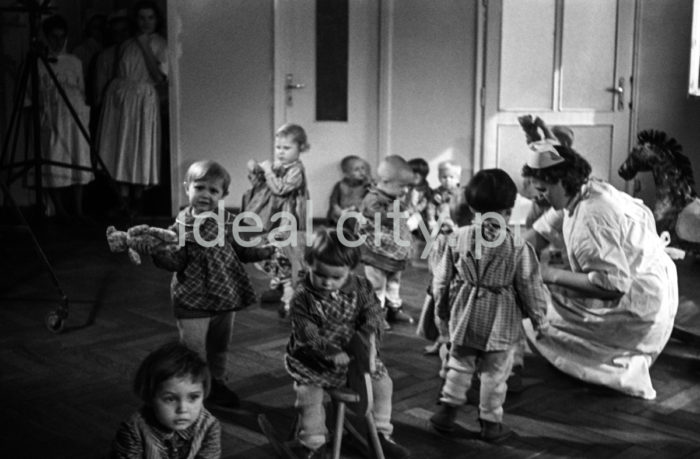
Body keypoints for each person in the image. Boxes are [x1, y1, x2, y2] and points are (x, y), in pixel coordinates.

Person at [521, 144, 679, 399]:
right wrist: (503, 253)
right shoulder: (588, 189)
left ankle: (602, 357)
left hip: (638, 310)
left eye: (542, 190)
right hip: (651, 289)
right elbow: (539, 233)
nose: (538, 197)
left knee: (534, 301)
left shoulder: (590, 217)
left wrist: (546, 274)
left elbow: (612, 286)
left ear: (561, 182)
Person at [428, 169, 549, 442]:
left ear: (470, 207)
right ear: (509, 210)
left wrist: (441, 312)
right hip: (501, 318)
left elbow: (441, 279)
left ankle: (446, 414)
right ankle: (491, 424)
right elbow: (530, 287)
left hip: (464, 312)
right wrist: (540, 320)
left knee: (459, 363)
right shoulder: (518, 247)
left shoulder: (455, 238)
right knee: (495, 373)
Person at [146, 160, 275, 408]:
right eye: (199, 187)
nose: (206, 194)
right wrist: (159, 252)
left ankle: (216, 382)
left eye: (213, 190)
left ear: (224, 195)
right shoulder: (180, 227)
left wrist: (266, 251)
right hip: (192, 300)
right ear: (187, 188)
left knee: (219, 346)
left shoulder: (228, 222)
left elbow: (243, 251)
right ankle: (196, 390)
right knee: (194, 351)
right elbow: (174, 261)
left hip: (225, 297)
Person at [284, 229, 410, 459]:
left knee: (383, 384)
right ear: (309, 262)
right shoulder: (303, 296)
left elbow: (374, 312)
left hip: (353, 356)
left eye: (336, 277)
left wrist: (368, 331)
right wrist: (328, 350)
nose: (327, 282)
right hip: (313, 359)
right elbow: (305, 330)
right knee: (309, 395)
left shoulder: (361, 287)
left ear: (350, 271)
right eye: (320, 274)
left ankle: (382, 433)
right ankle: (313, 443)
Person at [97, 0, 168, 215]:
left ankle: (138, 198)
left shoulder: (160, 44)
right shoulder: (127, 44)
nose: (146, 22)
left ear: (157, 20)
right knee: (122, 146)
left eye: (150, 18)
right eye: (141, 18)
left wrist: (145, 45)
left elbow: (158, 77)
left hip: (143, 99)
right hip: (121, 98)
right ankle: (122, 198)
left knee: (140, 145)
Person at [243, 123, 311, 319]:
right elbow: (262, 185)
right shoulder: (279, 165)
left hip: (287, 218)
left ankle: (290, 294)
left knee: (284, 250)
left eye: (287, 148)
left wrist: (269, 172)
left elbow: (280, 189)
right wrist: (256, 170)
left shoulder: (296, 169)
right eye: (278, 147)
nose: (281, 152)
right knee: (266, 246)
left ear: (301, 149)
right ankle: (278, 284)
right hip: (272, 215)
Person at [110, 341, 221, 458]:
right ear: (150, 397)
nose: (183, 409)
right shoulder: (133, 431)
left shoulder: (209, 426)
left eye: (193, 397)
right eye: (170, 399)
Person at [36, 14, 93, 221]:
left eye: (61, 37)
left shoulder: (74, 62)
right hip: (52, 116)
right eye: (53, 37)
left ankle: (78, 209)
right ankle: (61, 210)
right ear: (45, 37)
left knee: (78, 156)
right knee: (54, 157)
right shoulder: (40, 63)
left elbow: (81, 89)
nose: (57, 42)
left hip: (74, 115)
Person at [358, 155, 415, 330]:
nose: (405, 190)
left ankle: (394, 307)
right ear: (385, 181)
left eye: (407, 186)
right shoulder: (372, 199)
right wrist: (396, 216)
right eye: (402, 186)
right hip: (376, 252)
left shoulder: (394, 196)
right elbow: (377, 217)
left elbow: (402, 210)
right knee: (377, 284)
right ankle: (376, 314)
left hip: (394, 251)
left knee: (393, 280)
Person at [326, 154, 372, 233]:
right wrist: (336, 208)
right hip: (342, 213)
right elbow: (333, 199)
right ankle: (335, 231)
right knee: (333, 213)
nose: (361, 172)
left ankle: (354, 234)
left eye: (363, 168)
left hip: (358, 213)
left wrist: (370, 183)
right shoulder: (340, 185)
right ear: (346, 174)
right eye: (356, 170)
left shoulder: (366, 185)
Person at [405, 158, 432, 238]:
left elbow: (425, 204)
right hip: (405, 215)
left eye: (419, 173)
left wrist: (412, 211)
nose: (416, 175)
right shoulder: (405, 188)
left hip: (421, 220)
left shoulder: (427, 192)